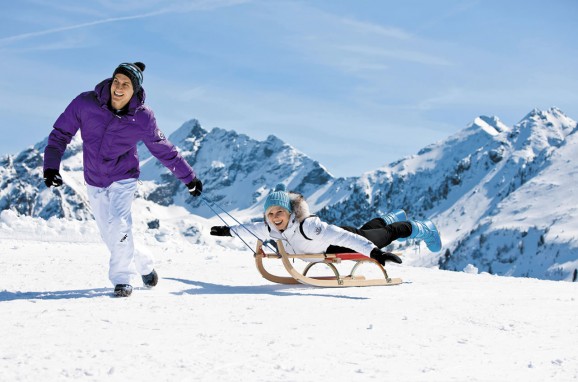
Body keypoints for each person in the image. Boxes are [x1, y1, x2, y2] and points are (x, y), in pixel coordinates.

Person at [43, 62, 203, 297]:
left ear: (134, 90)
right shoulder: (85, 103)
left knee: (119, 222)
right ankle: (145, 263)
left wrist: (189, 177)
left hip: (123, 177)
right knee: (110, 234)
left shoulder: (143, 117)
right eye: (116, 81)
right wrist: (51, 166)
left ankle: (122, 279)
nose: (118, 87)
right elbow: (61, 134)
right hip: (94, 179)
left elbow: (163, 149)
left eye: (126, 84)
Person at [210, 183, 442, 264]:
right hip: (338, 240)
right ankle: (390, 216)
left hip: (340, 242)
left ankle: (421, 228)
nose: (275, 217)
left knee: (384, 235)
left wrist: (374, 254)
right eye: (270, 214)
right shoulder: (270, 227)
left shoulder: (308, 226)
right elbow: (249, 228)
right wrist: (228, 231)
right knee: (367, 230)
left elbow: (346, 238)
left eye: (280, 212)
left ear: (290, 212)